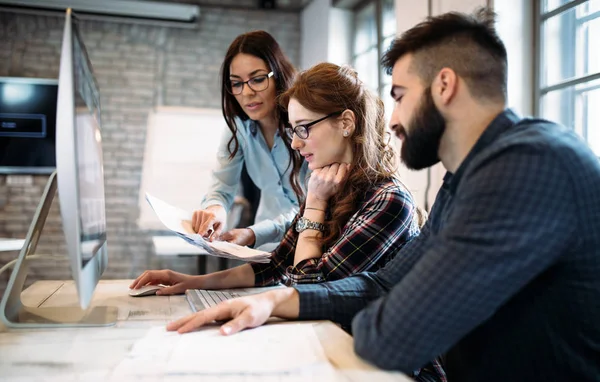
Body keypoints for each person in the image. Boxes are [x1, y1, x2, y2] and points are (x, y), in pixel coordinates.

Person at [164, 8, 600, 382]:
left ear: (444, 85)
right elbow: (384, 284)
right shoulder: (465, 176)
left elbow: (395, 332)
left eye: (400, 96)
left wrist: (297, 293)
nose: (392, 120)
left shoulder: (529, 165)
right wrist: (280, 297)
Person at [131, 62, 422, 298]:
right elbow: (276, 266)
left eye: (304, 129)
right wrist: (191, 281)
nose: (295, 144)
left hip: (386, 367)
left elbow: (309, 290)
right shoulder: (329, 187)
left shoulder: (388, 201)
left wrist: (316, 204)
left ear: (346, 123)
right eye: (293, 130)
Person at [191, 30, 308, 251]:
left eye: (257, 79)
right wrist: (215, 209)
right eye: (236, 83)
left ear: (278, 75)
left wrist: (254, 233)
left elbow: (312, 210)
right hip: (266, 251)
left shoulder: (305, 124)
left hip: (313, 248)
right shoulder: (238, 130)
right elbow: (222, 187)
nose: (247, 92)